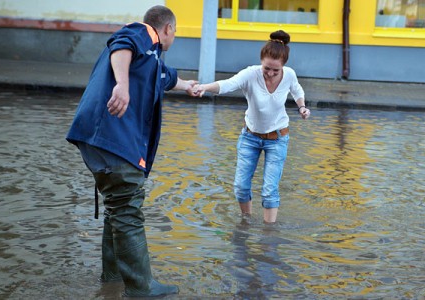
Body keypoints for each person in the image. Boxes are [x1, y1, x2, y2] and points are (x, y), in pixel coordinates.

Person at [66, 5, 198, 297]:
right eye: (174, 34)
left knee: (117, 208)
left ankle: (112, 278)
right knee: (127, 207)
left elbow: (166, 77)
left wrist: (188, 85)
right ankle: (141, 287)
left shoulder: (150, 60)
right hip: (112, 140)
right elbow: (122, 43)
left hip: (99, 139)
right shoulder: (142, 33)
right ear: (168, 30)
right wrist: (122, 86)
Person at [195, 30, 310, 224]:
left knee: (269, 189)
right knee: (241, 187)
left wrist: (302, 107)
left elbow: (297, 90)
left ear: (283, 66)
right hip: (250, 137)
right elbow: (228, 84)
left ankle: (268, 233)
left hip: (278, 138)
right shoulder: (250, 74)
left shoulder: (289, 75)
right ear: (261, 61)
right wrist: (205, 87)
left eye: (276, 70)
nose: (271, 74)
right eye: (267, 68)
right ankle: (246, 222)